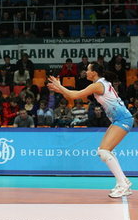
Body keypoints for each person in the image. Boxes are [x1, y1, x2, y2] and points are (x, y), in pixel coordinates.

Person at [48, 62, 133, 198]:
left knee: (104, 151)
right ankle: (123, 181)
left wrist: (60, 86)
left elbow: (74, 96)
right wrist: (61, 90)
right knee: (103, 151)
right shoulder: (101, 83)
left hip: (123, 119)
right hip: (119, 119)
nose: (85, 72)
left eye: (87, 70)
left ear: (94, 73)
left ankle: (123, 185)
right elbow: (71, 95)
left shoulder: (98, 85)